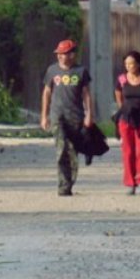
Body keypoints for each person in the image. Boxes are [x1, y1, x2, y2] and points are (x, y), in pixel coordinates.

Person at [40, 39, 93, 197]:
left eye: (64, 54)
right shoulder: (52, 70)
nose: (61, 57)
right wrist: (44, 116)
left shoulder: (81, 71)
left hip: (75, 117)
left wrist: (89, 114)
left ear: (72, 55)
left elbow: (86, 94)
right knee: (61, 149)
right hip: (58, 116)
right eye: (59, 54)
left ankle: (70, 181)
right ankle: (63, 185)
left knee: (72, 152)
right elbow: (47, 93)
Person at [114, 50, 140, 195]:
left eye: (131, 63)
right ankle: (131, 183)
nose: (129, 66)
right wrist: (123, 109)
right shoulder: (122, 79)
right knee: (128, 152)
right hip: (125, 120)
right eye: (126, 64)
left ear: (138, 64)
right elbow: (118, 95)